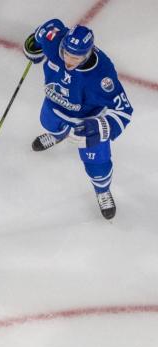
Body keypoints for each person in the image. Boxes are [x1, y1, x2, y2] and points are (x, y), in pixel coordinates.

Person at [23, 20, 133, 220]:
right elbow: (40, 35)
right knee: (50, 124)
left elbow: (124, 111)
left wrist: (100, 127)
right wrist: (32, 48)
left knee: (98, 165)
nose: (68, 61)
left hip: (87, 123)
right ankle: (58, 136)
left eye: (76, 57)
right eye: (66, 53)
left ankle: (102, 191)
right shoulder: (54, 39)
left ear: (88, 53)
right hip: (54, 107)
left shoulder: (102, 76)